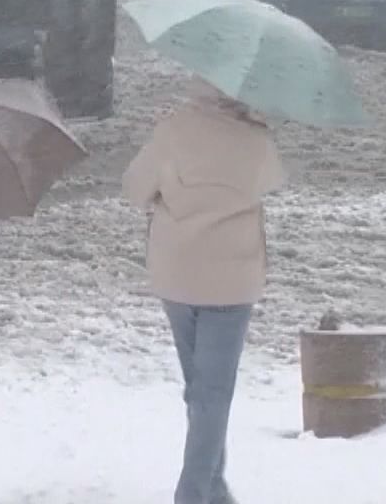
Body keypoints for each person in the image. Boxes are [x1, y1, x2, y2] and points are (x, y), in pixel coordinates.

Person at [122, 79, 283, 504]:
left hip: (177, 272)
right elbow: (269, 184)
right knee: (213, 391)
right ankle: (194, 491)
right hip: (232, 277)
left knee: (199, 387)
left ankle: (212, 485)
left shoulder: (173, 129)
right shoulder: (256, 139)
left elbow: (134, 189)